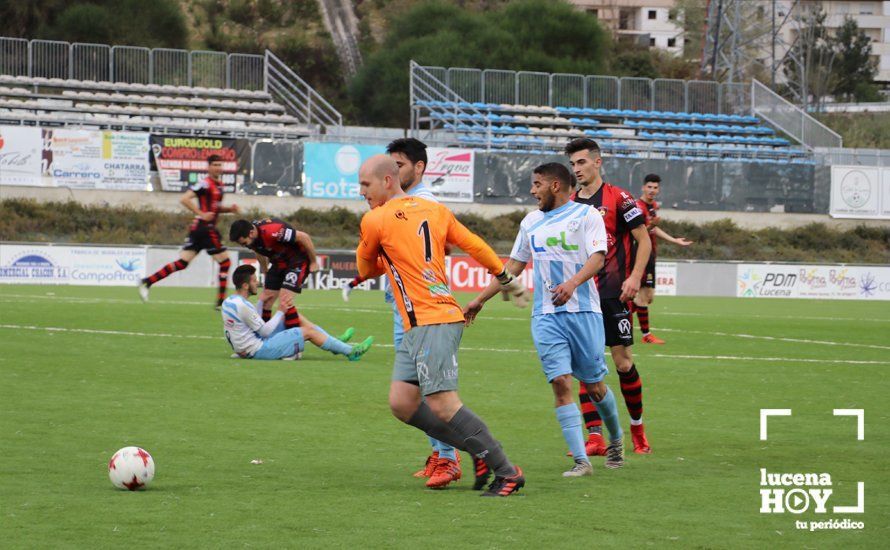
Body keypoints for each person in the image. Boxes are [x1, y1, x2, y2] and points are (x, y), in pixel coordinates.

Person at [355, 154, 529, 497]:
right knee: (402, 402)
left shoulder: (375, 219)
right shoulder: (435, 210)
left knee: (443, 403)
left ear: (388, 181)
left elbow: (365, 269)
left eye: (365, 184)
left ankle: (507, 472)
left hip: (430, 320)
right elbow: (474, 244)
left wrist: (378, 257)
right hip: (424, 321)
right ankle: (478, 450)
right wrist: (505, 276)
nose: (362, 191)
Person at [463, 163, 625, 475]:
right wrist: (480, 299)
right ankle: (582, 461)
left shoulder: (587, 216)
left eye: (537, 184)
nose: (532, 190)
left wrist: (572, 283)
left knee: (594, 386)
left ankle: (616, 438)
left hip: (585, 313)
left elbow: (598, 258)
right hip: (547, 317)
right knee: (561, 384)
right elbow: (512, 265)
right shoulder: (531, 222)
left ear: (554, 186)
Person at [342, 138, 470, 489]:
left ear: (419, 168)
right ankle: (443, 452)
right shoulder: (395, 205)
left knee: (429, 391)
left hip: (422, 308)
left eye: (399, 165)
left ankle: (452, 456)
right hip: (404, 304)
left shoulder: (423, 203)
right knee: (414, 392)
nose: (392, 172)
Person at [565, 138, 653, 455]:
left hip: (613, 294)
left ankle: (637, 428)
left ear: (597, 162)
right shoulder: (571, 204)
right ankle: (595, 437)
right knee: (585, 366)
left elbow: (644, 241)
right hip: (581, 297)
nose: (577, 169)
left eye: (582, 162)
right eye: (573, 164)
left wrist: (634, 277)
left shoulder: (620, 198)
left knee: (622, 362)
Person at [139, 155, 239, 308]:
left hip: (199, 229)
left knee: (182, 263)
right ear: (209, 167)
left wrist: (229, 209)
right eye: (215, 165)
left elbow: (214, 208)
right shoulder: (205, 183)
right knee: (225, 262)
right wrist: (201, 213)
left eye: (220, 165)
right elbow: (185, 199)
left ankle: (147, 282)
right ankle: (220, 302)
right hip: (206, 228)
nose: (218, 168)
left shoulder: (219, 185)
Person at [222, 264, 372, 361]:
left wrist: (261, 302)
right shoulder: (243, 306)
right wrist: (280, 311)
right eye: (254, 281)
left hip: (248, 348)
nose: (258, 283)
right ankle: (351, 352)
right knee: (308, 332)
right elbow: (265, 331)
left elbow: (247, 323)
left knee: (295, 317)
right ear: (245, 285)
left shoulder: (230, 302)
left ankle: (334, 341)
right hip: (259, 350)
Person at [633, 174, 693, 344]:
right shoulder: (639, 207)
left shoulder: (653, 206)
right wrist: (651, 227)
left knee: (647, 297)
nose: (652, 190)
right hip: (642, 254)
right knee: (644, 296)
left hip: (650, 254)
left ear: (659, 190)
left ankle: (616, 317)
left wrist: (674, 240)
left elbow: (652, 230)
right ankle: (646, 336)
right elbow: (640, 231)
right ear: (643, 188)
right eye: (649, 187)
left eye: (655, 188)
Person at [229, 217, 318, 329]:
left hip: (297, 260)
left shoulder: (273, 231)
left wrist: (314, 262)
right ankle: (265, 338)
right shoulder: (252, 238)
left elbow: (304, 237)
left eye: (244, 243)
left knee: (285, 299)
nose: (244, 245)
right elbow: (258, 251)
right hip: (279, 262)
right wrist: (265, 270)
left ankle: (295, 338)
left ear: (251, 233)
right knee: (266, 299)